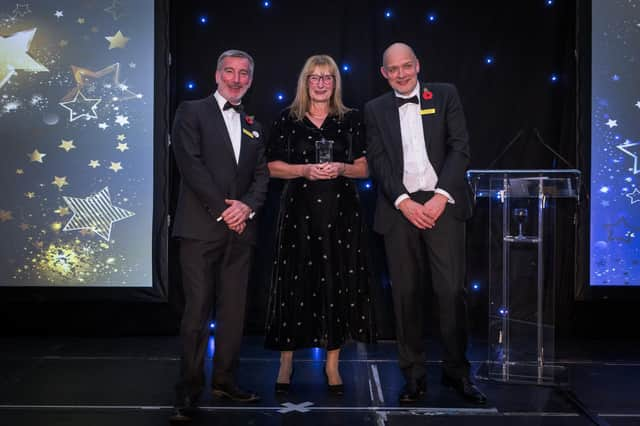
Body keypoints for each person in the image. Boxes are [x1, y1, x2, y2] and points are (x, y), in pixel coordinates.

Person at [364, 42, 486, 404]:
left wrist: (439, 196)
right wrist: (403, 202)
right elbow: (379, 160)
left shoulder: (445, 95)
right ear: (384, 73)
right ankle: (413, 376)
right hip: (398, 210)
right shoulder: (374, 109)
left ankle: (456, 372)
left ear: (417, 65)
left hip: (442, 205)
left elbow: (460, 147)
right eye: (393, 69)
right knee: (405, 296)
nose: (401, 74)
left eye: (406, 66)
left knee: (451, 293)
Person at [264, 54, 375, 395]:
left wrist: (341, 168)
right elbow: (272, 167)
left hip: (341, 215)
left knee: (335, 282)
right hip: (298, 212)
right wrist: (304, 170)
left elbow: (364, 168)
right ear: (305, 82)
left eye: (328, 77)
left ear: (335, 82)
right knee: (293, 283)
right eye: (315, 77)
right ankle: (286, 361)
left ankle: (332, 365)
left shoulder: (350, 119)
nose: (322, 83)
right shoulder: (288, 119)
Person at [170, 49, 268, 420]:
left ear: (251, 79)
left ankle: (225, 381)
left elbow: (262, 175)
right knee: (196, 313)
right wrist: (226, 210)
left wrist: (247, 208)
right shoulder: (190, 111)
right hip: (200, 230)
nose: (236, 78)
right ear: (216, 74)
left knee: (233, 313)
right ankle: (188, 392)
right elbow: (190, 166)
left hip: (242, 232)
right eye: (229, 71)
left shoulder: (256, 124)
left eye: (244, 73)